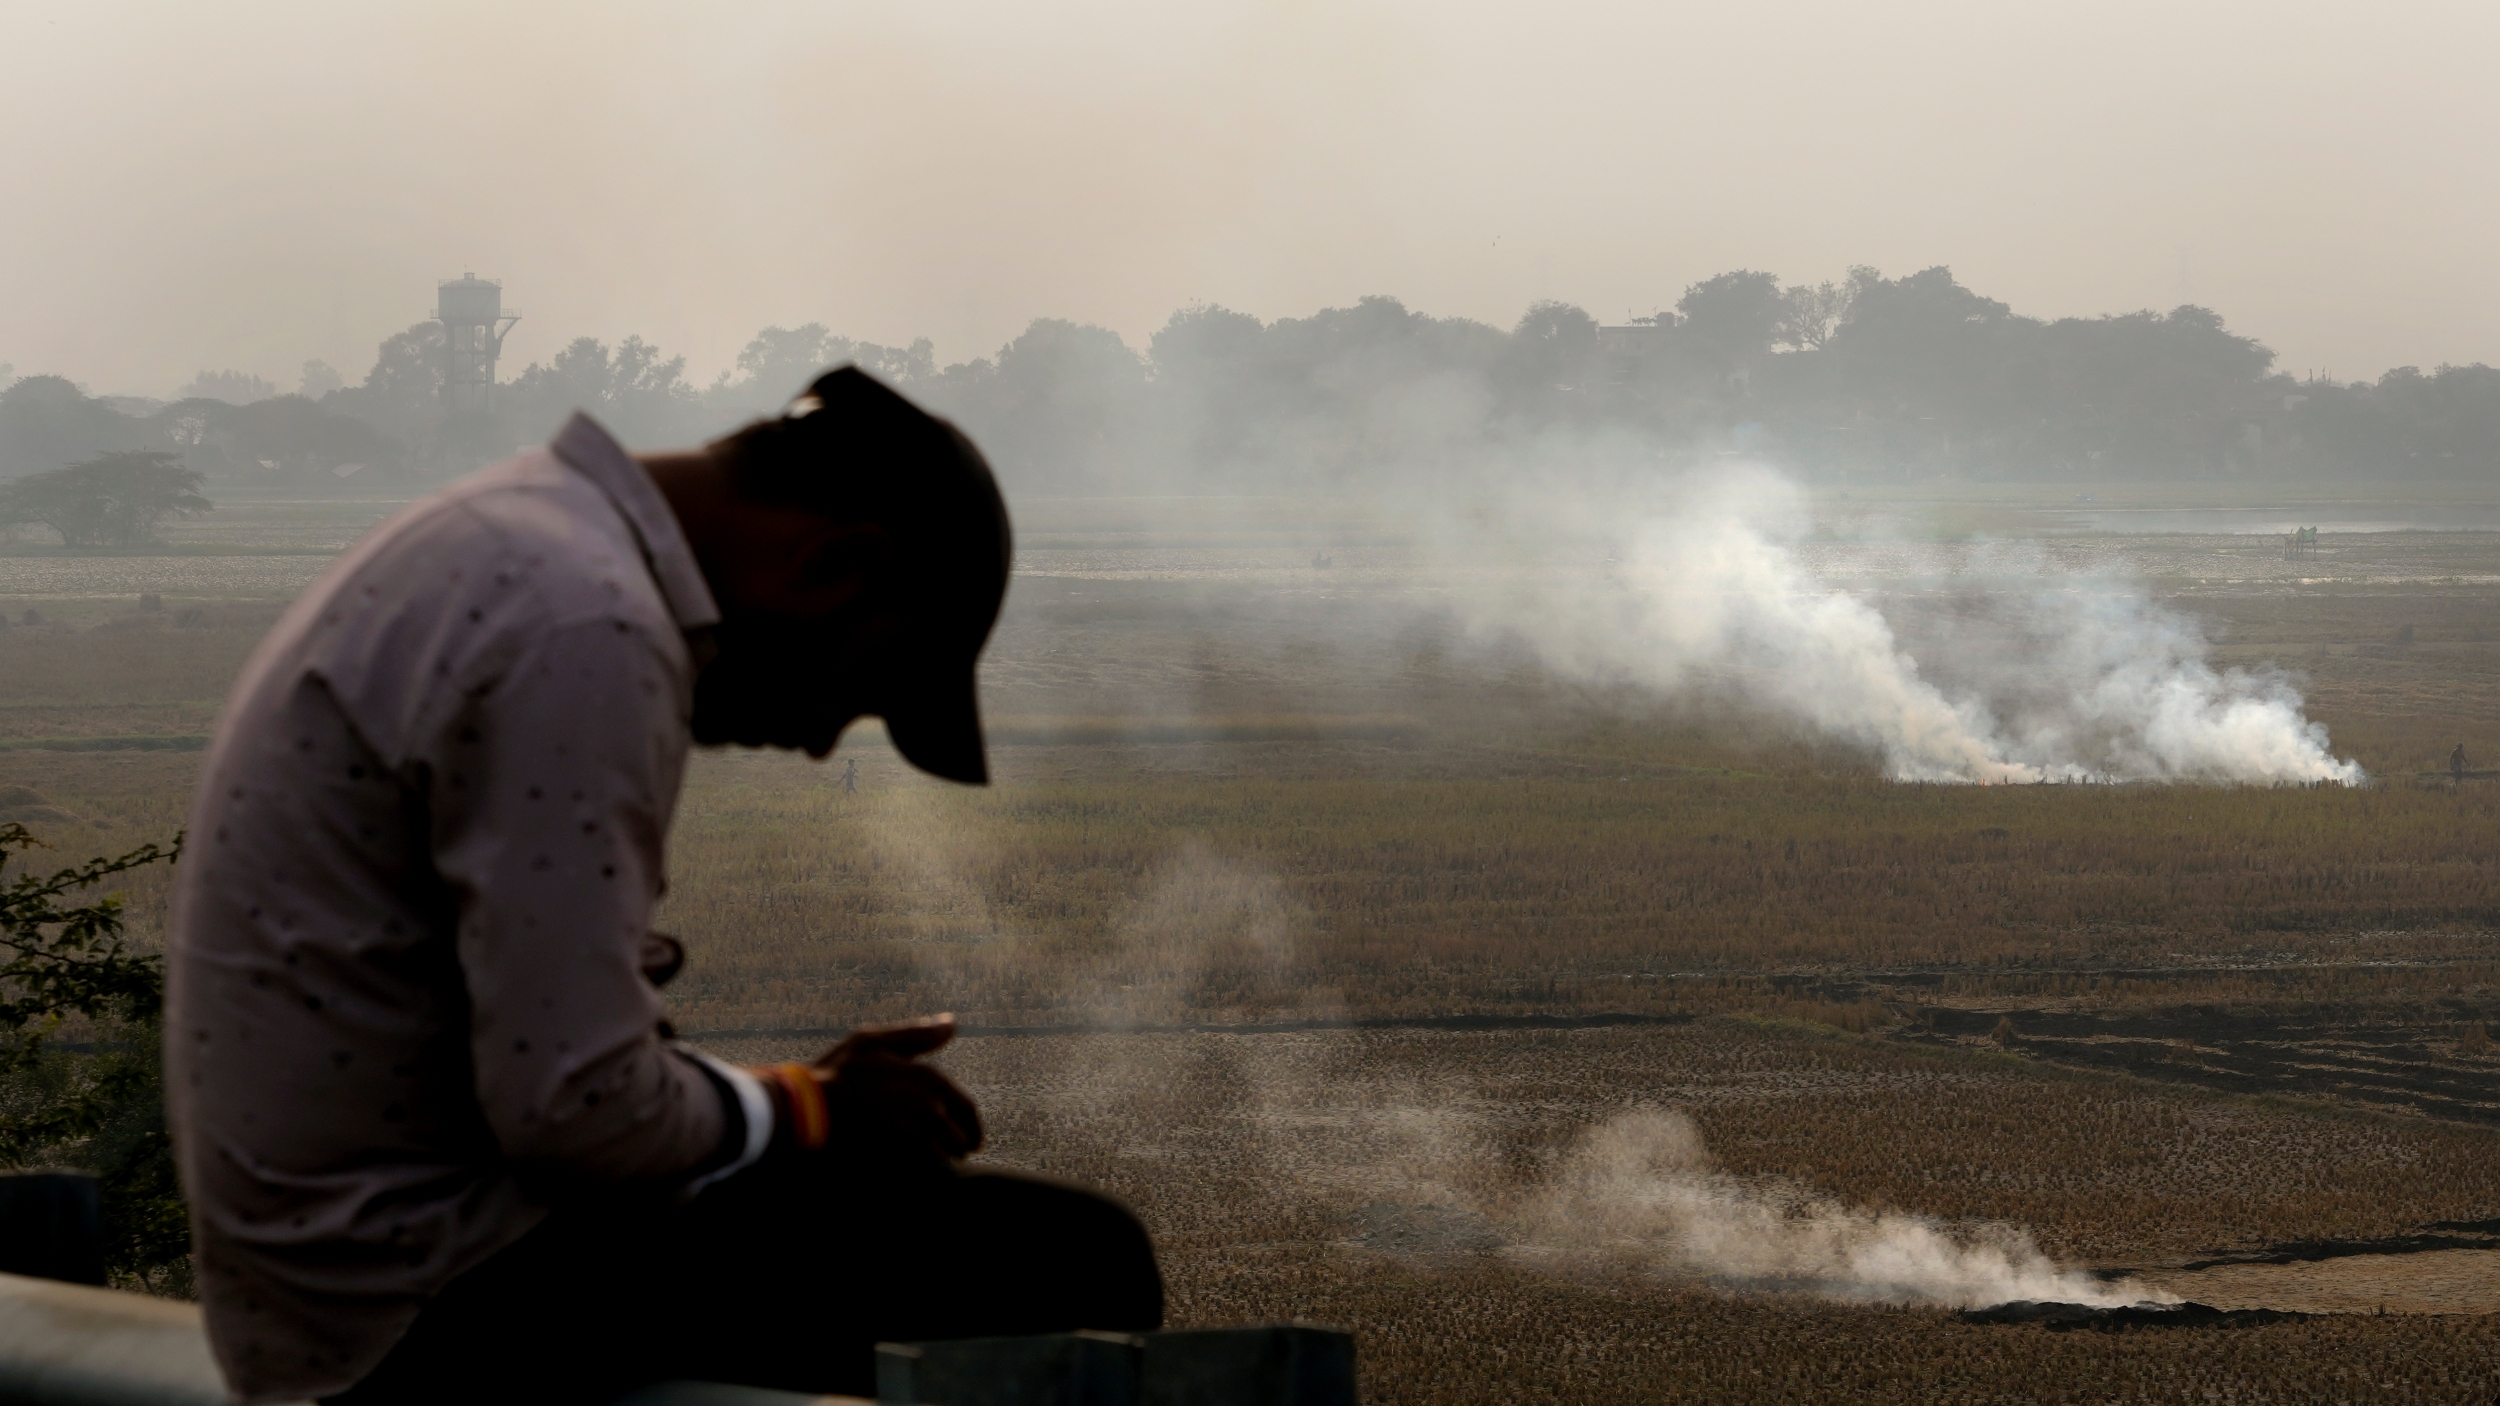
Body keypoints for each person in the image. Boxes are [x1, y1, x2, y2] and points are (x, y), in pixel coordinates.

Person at [164, 368, 1162, 1406]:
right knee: (1074, 1261)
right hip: (420, 1306)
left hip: (346, 1263)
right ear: (836, 564)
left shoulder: (518, 529)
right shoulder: (587, 628)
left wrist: (786, 1112)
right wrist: (805, 1108)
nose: (821, 740)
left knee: (883, 1192)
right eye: (855, 688)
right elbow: (579, 1109)